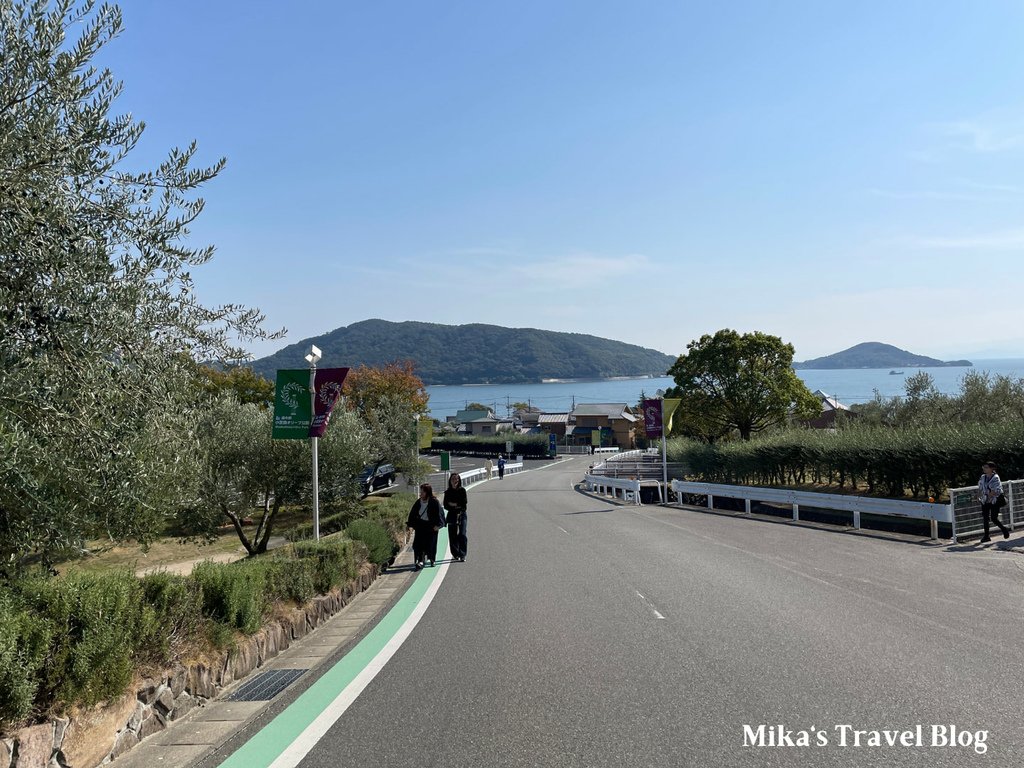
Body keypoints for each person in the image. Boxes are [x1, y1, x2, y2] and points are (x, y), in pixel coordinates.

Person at [407, 483, 443, 569]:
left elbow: (440, 514)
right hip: (421, 525)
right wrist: (411, 524)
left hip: (431, 526)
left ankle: (432, 560)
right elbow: (413, 514)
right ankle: (420, 561)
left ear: (427, 492)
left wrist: (438, 526)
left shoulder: (434, 502)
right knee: (419, 544)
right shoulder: (418, 502)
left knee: (431, 544)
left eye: (423, 492)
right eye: (421, 492)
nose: (421, 493)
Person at [978, 461, 1010, 543]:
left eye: (986, 467)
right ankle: (986, 536)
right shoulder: (983, 477)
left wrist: (988, 497)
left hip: (994, 500)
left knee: (993, 518)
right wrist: (978, 496)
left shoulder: (995, 477)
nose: (984, 469)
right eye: (983, 467)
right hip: (985, 499)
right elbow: (981, 488)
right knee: (985, 518)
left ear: (992, 469)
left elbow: (996, 490)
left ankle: (1004, 529)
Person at [443, 473, 468, 562]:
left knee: (462, 534)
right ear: (450, 480)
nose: (455, 481)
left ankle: (462, 554)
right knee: (452, 535)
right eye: (453, 479)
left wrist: (454, 504)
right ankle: (455, 553)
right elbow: (446, 505)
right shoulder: (448, 492)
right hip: (451, 515)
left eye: (457, 479)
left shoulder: (462, 491)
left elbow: (464, 505)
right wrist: (456, 505)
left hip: (462, 514)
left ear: (459, 480)